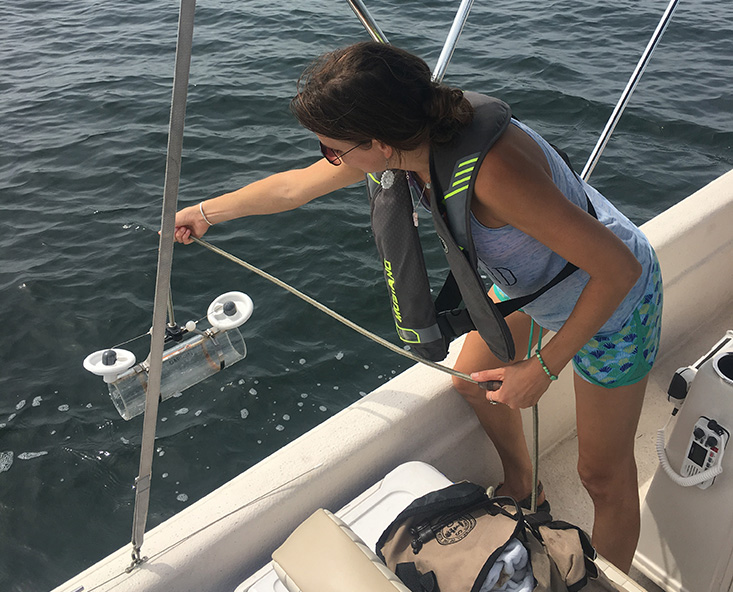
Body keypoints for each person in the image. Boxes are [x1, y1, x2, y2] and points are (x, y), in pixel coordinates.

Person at [174, 41, 662, 573]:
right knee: (471, 380)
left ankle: (605, 583)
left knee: (601, 476)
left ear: (378, 144)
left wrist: (543, 367)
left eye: (333, 151)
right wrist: (203, 213)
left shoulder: (494, 177)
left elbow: (618, 269)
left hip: (614, 306)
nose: (329, 162)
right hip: (540, 284)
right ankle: (524, 483)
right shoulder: (410, 141)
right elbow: (294, 188)